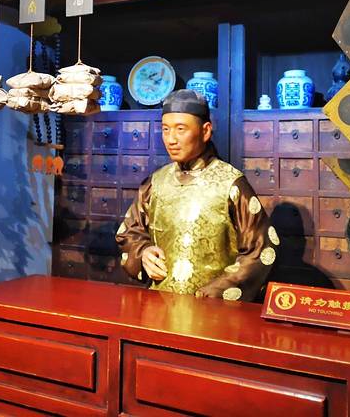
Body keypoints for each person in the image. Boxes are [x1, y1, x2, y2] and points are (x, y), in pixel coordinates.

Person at [116, 89, 278, 302]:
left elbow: (261, 249)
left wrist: (217, 289)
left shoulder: (230, 183)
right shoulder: (155, 183)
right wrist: (143, 252)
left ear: (206, 131)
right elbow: (129, 233)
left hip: (212, 308)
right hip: (159, 303)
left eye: (180, 129)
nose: (171, 139)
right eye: (165, 129)